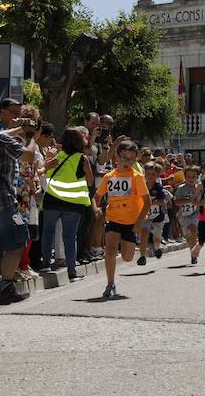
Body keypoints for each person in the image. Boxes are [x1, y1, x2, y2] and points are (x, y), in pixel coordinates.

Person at [0, 101, 37, 309]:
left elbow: (0, 135)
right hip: (1, 202)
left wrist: (21, 128)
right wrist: (31, 138)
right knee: (18, 240)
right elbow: (28, 156)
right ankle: (6, 289)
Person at [94, 140, 150, 298]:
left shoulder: (137, 177)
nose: (127, 162)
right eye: (124, 157)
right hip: (113, 218)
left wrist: (139, 222)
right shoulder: (109, 177)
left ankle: (132, 245)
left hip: (131, 222)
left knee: (127, 257)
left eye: (132, 159)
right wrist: (96, 208)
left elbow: (147, 202)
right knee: (110, 249)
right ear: (117, 157)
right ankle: (110, 283)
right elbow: (96, 197)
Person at [40, 127, 95, 282]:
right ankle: (72, 271)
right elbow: (90, 181)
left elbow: (45, 173)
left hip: (53, 200)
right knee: (70, 236)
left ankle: (45, 263)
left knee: (48, 231)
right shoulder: (82, 159)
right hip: (73, 203)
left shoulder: (56, 157)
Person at [174, 165, 201, 265]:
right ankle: (192, 252)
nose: (191, 179)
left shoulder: (199, 187)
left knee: (193, 228)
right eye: (188, 177)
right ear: (185, 177)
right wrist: (188, 200)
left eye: (194, 176)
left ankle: (194, 253)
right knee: (189, 238)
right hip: (183, 216)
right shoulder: (181, 188)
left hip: (195, 215)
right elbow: (176, 202)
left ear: (197, 177)